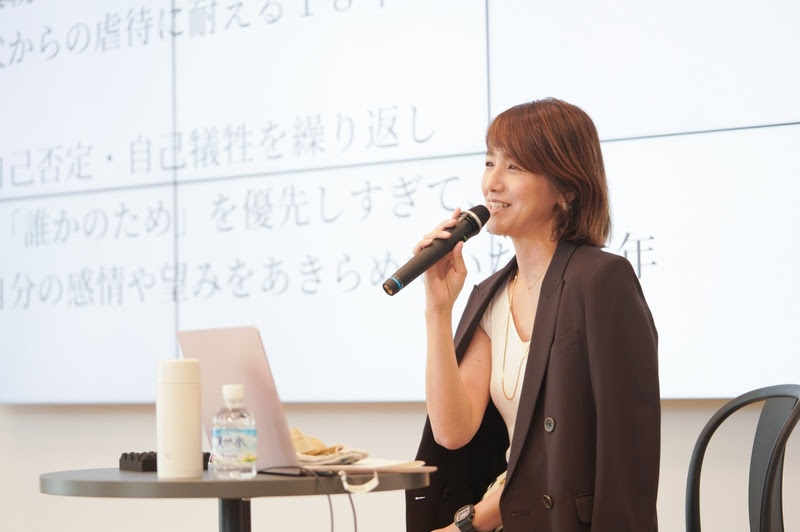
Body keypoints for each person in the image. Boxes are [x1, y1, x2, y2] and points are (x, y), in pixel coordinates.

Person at [404, 98, 660, 532]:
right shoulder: (490, 295)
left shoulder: (601, 280)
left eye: (515, 167)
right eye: (490, 162)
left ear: (566, 189)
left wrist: (470, 524)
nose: (492, 183)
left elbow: (626, 451)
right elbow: (452, 430)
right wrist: (438, 308)